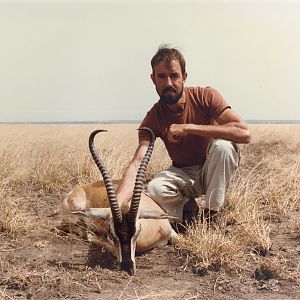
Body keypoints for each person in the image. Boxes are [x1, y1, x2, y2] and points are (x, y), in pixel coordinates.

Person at [116, 45, 251, 229]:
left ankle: (211, 216)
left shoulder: (206, 95)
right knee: (155, 188)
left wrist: (189, 128)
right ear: (153, 79)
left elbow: (244, 133)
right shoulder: (153, 117)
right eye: (161, 76)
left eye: (174, 75)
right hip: (183, 173)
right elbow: (138, 162)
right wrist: (114, 206)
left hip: (213, 168)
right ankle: (189, 209)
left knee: (223, 147)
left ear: (184, 77)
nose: (169, 83)